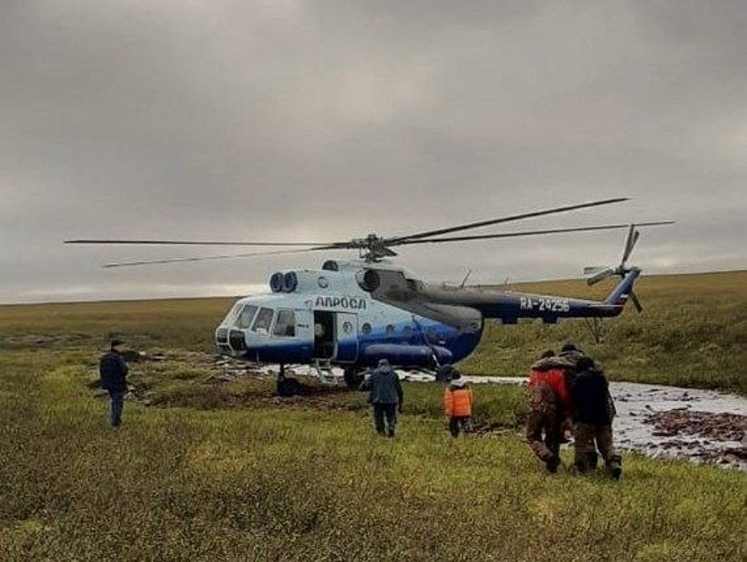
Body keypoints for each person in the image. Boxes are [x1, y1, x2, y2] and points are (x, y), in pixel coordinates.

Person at [570, 356, 622, 480]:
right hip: (603, 418)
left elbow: (575, 399)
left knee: (581, 445)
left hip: (585, 418)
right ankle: (613, 463)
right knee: (607, 445)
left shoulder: (579, 379)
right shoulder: (601, 378)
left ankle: (581, 469)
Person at [525, 350, 573, 473]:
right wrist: (566, 413)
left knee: (532, 435)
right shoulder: (559, 373)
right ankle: (552, 466)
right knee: (553, 437)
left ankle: (546, 455)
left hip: (536, 408)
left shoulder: (534, 372)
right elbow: (564, 395)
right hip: (554, 409)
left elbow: (530, 390)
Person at [367, 359, 404, 437]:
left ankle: (381, 432)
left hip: (378, 400)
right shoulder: (394, 374)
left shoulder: (374, 373)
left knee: (378, 418)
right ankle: (391, 427)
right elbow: (399, 390)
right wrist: (400, 403)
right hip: (391, 400)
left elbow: (366, 385)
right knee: (391, 416)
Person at [99, 339, 129, 427]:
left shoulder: (104, 357)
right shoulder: (118, 357)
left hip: (108, 384)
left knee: (114, 401)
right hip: (118, 383)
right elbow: (124, 370)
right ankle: (116, 422)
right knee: (118, 402)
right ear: (116, 346)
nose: (123, 348)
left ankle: (114, 419)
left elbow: (101, 370)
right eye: (121, 346)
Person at [443, 370, 474, 437]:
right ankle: (468, 439)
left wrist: (448, 414)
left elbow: (449, 403)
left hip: (455, 413)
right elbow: (471, 399)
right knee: (467, 428)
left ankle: (455, 438)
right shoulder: (467, 386)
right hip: (466, 411)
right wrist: (469, 408)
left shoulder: (450, 389)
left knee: (453, 428)